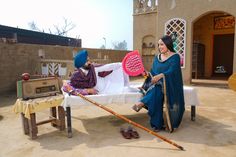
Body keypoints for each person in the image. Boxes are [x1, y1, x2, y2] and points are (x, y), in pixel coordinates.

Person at [132, 35, 185, 132]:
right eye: (158, 45)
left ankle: (142, 103)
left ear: (168, 44)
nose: (160, 47)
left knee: (156, 90)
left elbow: (173, 71)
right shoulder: (157, 58)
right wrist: (145, 84)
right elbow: (153, 73)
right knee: (156, 93)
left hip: (170, 85)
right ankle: (157, 125)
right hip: (156, 85)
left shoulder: (175, 57)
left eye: (162, 44)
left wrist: (161, 76)